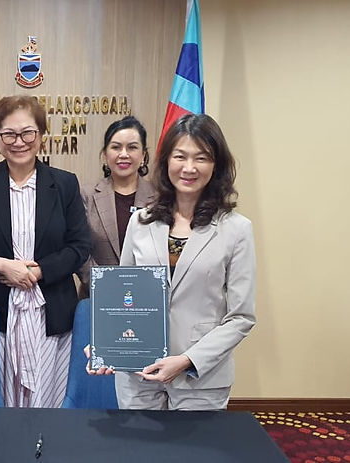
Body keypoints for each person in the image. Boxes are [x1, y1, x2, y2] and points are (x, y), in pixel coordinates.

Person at [89, 113, 256, 411]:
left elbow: (241, 317)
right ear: (166, 161)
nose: (189, 167)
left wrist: (187, 361)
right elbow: (122, 292)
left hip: (200, 377)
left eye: (201, 158)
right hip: (139, 373)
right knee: (139, 453)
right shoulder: (141, 220)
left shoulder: (236, 229)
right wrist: (105, 342)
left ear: (216, 165)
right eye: (180, 156)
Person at [0, 95, 91, 408]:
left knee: (48, 401)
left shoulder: (65, 184)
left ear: (41, 135)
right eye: (9, 134)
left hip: (50, 313)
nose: (19, 142)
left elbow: (79, 247)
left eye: (28, 133)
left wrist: (39, 271)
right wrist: (3, 265)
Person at [79, 115, 158, 297]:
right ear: (105, 155)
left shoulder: (161, 197)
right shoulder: (86, 195)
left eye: (132, 147)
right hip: (96, 296)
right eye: (116, 147)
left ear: (144, 155)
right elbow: (79, 251)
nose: (124, 154)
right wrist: (108, 286)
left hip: (147, 298)